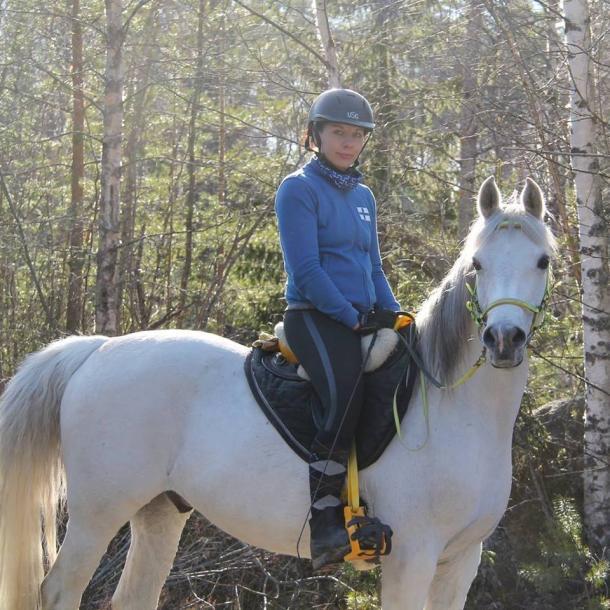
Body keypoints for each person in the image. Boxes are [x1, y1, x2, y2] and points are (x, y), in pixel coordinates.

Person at [274, 88, 400, 570]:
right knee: (346, 391)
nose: (347, 143)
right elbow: (306, 270)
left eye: (356, 135)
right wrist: (351, 317)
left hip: (361, 315)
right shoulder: (298, 189)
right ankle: (326, 520)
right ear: (316, 135)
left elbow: (374, 266)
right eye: (338, 133)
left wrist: (395, 315)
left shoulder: (363, 195)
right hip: (315, 317)